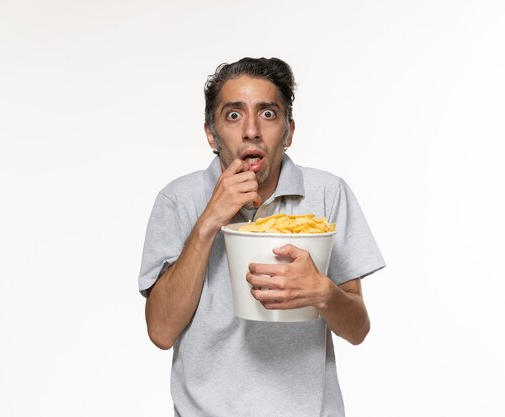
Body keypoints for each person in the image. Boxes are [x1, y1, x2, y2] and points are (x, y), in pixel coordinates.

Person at [139, 57, 385, 416]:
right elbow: (161, 332)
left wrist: (323, 293)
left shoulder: (328, 193)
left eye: (268, 114)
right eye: (234, 115)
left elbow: (358, 328)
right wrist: (209, 220)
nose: (251, 130)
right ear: (211, 133)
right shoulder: (179, 200)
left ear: (288, 132)